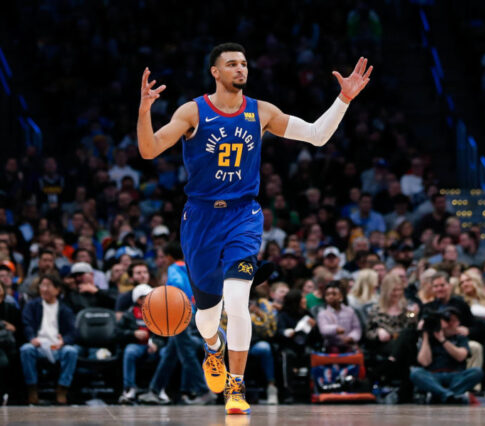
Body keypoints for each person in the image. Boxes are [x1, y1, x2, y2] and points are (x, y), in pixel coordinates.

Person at [137, 42, 371, 414]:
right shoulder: (192, 112)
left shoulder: (260, 112)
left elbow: (316, 134)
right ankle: (213, 348)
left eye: (244, 64)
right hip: (199, 220)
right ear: (215, 72)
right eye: (231, 64)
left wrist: (343, 98)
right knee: (208, 317)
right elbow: (149, 150)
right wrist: (145, 110)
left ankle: (236, 387)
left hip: (243, 217)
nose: (240, 69)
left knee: (237, 300)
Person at [138, 242, 214, 406]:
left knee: (186, 355)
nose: (161, 260)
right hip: (192, 314)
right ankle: (155, 390)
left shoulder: (173, 269)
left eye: (162, 256)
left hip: (179, 316)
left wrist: (169, 301)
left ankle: (204, 391)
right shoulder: (189, 267)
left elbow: (176, 286)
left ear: (169, 257)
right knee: (170, 355)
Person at [20, 274, 77, 405]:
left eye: (49, 286)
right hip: (38, 345)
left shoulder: (65, 309)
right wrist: (32, 338)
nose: (45, 289)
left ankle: (62, 389)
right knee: (26, 349)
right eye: (42, 285)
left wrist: (64, 341)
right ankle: (32, 389)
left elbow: (72, 332)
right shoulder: (32, 306)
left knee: (71, 352)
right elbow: (26, 324)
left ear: (57, 290)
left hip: (57, 346)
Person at [410, 307, 483, 404]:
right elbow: (424, 362)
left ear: (458, 323)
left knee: (477, 372)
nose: (450, 324)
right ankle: (449, 395)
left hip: (456, 376)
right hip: (434, 376)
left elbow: (461, 356)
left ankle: (440, 395)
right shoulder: (429, 338)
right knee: (416, 373)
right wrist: (426, 335)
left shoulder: (460, 338)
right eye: (448, 320)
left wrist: (442, 340)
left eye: (454, 321)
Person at [317, 281, 362, 353]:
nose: (330, 297)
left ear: (341, 297)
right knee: (334, 351)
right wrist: (335, 329)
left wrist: (351, 337)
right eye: (327, 295)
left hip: (348, 344)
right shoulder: (323, 314)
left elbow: (356, 328)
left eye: (334, 294)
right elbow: (323, 329)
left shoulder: (350, 311)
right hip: (332, 345)